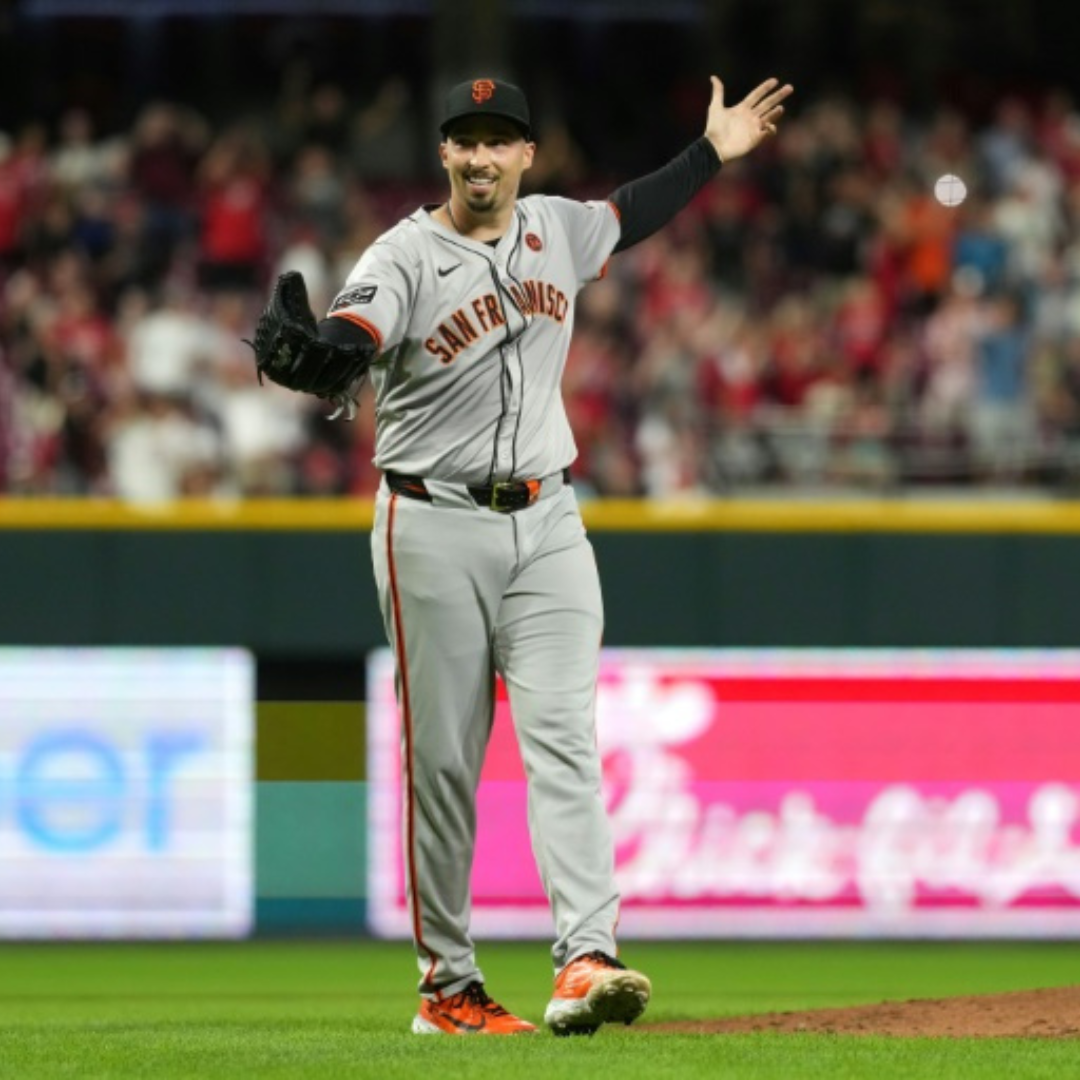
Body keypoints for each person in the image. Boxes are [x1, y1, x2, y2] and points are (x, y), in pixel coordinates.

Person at [253, 72, 791, 1036]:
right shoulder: (405, 254)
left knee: (566, 745)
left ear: (526, 155)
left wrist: (711, 152)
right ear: (445, 154)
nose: (481, 156)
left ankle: (588, 957)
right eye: (465, 140)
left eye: (500, 140)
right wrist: (322, 353)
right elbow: (347, 335)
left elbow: (634, 211)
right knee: (446, 764)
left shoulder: (555, 227)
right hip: (432, 521)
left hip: (549, 522)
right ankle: (446, 988)